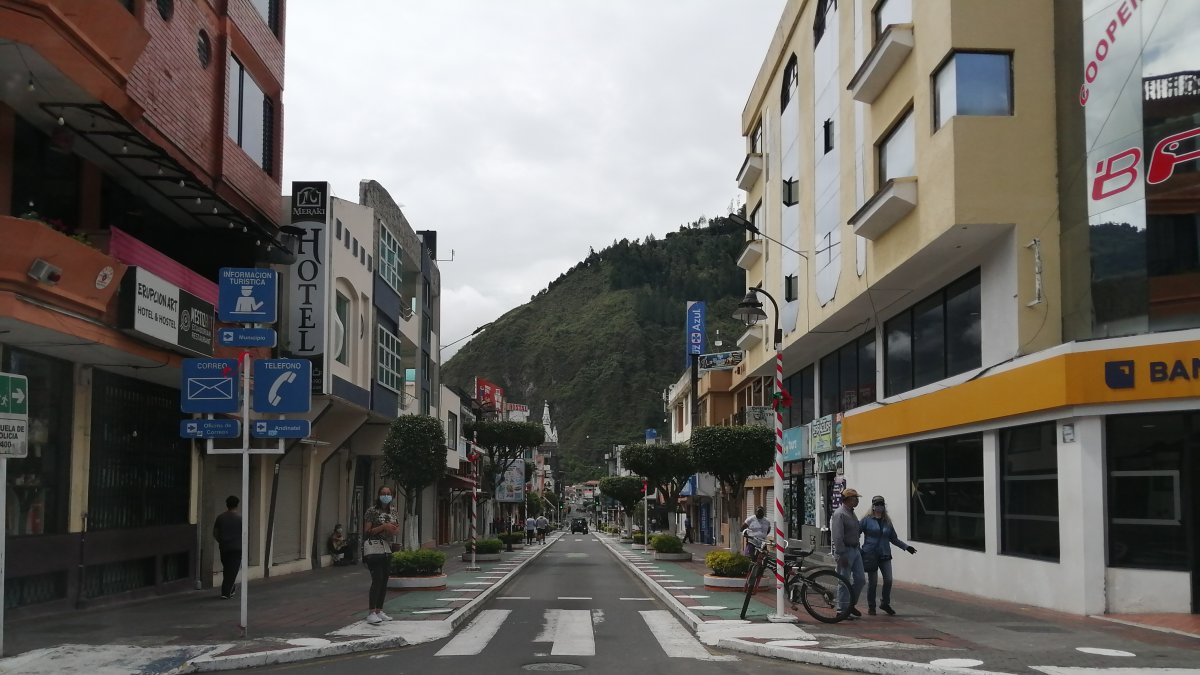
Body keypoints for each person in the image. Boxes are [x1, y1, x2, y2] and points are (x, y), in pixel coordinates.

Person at [860, 495, 917, 616]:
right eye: (877, 504)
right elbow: (856, 533)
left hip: (885, 554)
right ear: (873, 506)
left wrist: (906, 547)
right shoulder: (866, 520)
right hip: (870, 555)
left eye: (881, 505)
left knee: (889, 580)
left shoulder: (887, 521)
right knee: (873, 582)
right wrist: (858, 549)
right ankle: (871, 606)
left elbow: (894, 539)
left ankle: (885, 603)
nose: (879, 507)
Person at [363, 486, 398, 625]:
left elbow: (396, 528)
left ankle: (379, 610)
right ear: (378, 495)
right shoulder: (372, 511)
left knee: (384, 580)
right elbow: (367, 531)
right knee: (377, 579)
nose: (386, 496)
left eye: (388, 494)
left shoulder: (393, 511)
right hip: (374, 548)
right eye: (383, 493)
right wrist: (383, 527)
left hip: (387, 549)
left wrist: (393, 529)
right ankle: (371, 612)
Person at [831, 488, 866, 618]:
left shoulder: (851, 513)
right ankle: (841, 609)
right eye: (855, 498)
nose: (857, 501)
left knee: (861, 579)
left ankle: (850, 604)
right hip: (845, 550)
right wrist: (841, 553)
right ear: (848, 499)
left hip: (855, 549)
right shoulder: (840, 514)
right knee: (844, 580)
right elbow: (837, 536)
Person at [213, 495, 241, 599]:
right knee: (233, 570)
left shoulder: (220, 518)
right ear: (237, 505)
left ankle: (231, 588)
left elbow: (215, 533)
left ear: (227, 504)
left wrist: (221, 541)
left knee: (227, 568)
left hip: (224, 547)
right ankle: (226, 592)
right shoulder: (240, 518)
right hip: (237, 548)